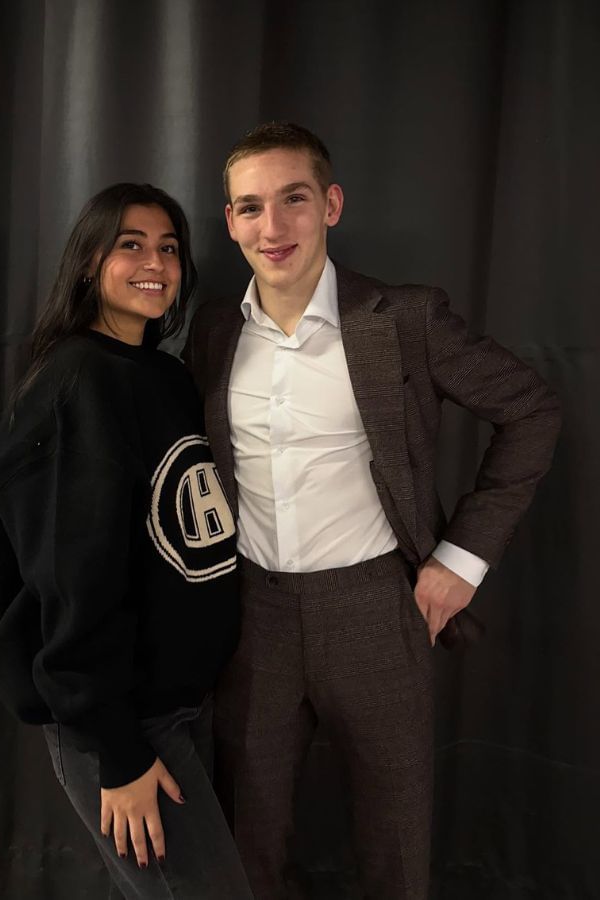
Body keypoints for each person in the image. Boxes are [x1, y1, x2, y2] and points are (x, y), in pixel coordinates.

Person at [185, 122, 561, 899]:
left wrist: (461, 559)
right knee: (245, 844)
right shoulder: (215, 330)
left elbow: (532, 409)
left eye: (292, 199)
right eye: (250, 207)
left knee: (393, 845)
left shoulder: (405, 318)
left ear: (331, 203)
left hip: (376, 609)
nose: (273, 226)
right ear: (230, 222)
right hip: (251, 615)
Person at [0, 183, 252, 898]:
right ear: (87, 260)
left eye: (168, 247)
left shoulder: (162, 374)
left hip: (184, 700)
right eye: (130, 244)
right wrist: (119, 751)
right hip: (124, 718)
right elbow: (71, 579)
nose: (155, 261)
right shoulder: (78, 381)